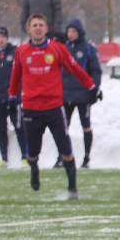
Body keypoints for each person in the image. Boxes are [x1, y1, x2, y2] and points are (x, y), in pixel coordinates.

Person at [9, 14, 97, 198]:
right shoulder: (21, 51)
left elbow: (74, 68)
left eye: (41, 24)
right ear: (29, 29)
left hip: (54, 107)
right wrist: (12, 95)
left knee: (65, 147)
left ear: (46, 28)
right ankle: (34, 169)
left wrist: (90, 85)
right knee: (32, 152)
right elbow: (16, 75)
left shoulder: (57, 49)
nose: (38, 28)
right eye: (34, 25)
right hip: (31, 108)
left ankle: (72, 187)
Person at [59, 19, 103, 169]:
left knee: (86, 126)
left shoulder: (88, 49)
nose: (70, 34)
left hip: (83, 95)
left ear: (79, 32)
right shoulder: (62, 48)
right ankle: (62, 157)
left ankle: (86, 157)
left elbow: (96, 71)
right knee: (63, 127)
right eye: (69, 31)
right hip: (66, 95)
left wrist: (94, 89)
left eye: (73, 31)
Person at [0, 26, 27, 168]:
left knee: (19, 127)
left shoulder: (15, 53)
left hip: (13, 98)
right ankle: (4, 158)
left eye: (3, 37)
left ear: (7, 38)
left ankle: (25, 157)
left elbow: (22, 71)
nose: (0, 40)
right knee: (1, 129)